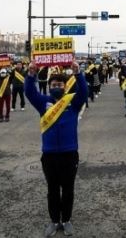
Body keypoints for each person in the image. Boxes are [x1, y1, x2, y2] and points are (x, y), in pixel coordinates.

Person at [24, 61, 88, 237]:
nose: (56, 87)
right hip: (49, 154)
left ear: (65, 86)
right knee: (52, 190)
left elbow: (84, 92)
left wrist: (78, 73)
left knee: (68, 190)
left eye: (59, 84)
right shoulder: (43, 102)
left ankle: (66, 220)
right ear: (49, 87)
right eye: (53, 85)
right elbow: (29, 92)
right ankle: (54, 221)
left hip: (69, 153)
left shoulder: (72, 102)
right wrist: (31, 75)